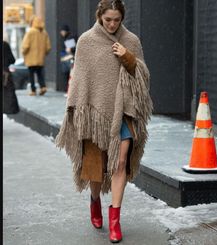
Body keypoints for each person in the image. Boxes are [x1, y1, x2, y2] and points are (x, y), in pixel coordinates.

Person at [55, 0, 152, 243]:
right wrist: (76, 111)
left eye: (116, 20)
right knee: (96, 169)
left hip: (124, 112)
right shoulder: (86, 41)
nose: (112, 24)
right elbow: (80, 78)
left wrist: (127, 57)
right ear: (100, 16)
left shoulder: (131, 41)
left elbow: (143, 77)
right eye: (108, 19)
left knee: (120, 163)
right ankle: (95, 200)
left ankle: (115, 220)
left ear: (122, 18)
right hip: (94, 115)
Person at [21, 16, 51, 96]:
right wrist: (44, 54)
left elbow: (25, 46)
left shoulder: (30, 32)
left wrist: (23, 52)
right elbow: (48, 47)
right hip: (40, 59)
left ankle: (33, 90)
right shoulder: (44, 33)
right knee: (40, 74)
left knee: (31, 75)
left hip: (31, 59)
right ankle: (43, 87)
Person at [3, 40, 20, 114]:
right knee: (8, 92)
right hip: (5, 73)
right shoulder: (5, 45)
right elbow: (12, 60)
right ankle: (8, 110)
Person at [59, 24, 77, 92]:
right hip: (68, 58)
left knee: (68, 74)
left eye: (63, 31)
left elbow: (69, 50)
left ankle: (68, 90)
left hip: (69, 58)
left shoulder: (69, 37)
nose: (61, 33)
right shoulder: (67, 37)